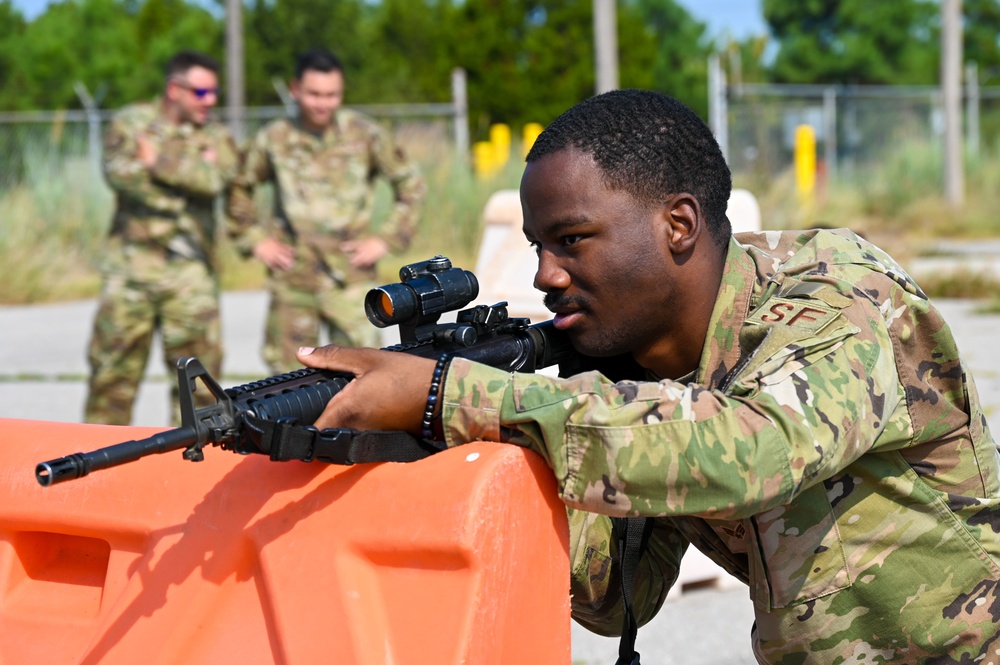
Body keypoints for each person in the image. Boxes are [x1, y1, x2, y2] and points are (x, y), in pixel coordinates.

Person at [292, 89, 1000, 662]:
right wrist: (475, 453)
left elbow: (754, 448)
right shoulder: (643, 361)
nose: (545, 274)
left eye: (571, 239)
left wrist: (461, 396)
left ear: (679, 224)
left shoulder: (835, 294)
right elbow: (615, 592)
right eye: (539, 246)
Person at [227, 48, 426, 374]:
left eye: (332, 95)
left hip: (350, 281)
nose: (323, 103)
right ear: (295, 90)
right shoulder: (275, 138)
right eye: (314, 94)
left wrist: (385, 239)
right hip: (293, 281)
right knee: (287, 382)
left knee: (361, 377)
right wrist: (254, 238)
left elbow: (412, 185)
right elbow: (237, 184)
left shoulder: (365, 134)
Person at [85, 50, 238, 426]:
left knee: (199, 389)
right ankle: (96, 471)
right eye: (202, 93)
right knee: (111, 379)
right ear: (174, 89)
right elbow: (122, 177)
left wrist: (158, 163)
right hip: (131, 272)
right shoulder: (131, 122)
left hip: (191, 275)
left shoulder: (216, 134)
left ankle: (194, 475)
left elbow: (217, 180)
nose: (211, 101)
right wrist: (190, 175)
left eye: (215, 92)